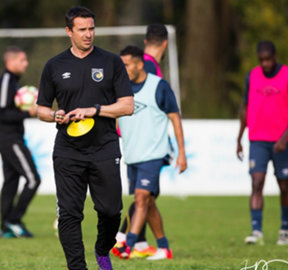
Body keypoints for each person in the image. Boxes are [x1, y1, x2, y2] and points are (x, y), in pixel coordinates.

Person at [36, 6, 134, 270]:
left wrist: (96, 110)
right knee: (69, 214)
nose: (88, 34)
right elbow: (41, 109)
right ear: (69, 31)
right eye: (82, 29)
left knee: (112, 211)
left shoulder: (111, 62)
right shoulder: (54, 66)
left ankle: (103, 249)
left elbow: (127, 106)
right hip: (68, 150)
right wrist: (55, 115)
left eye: (91, 28)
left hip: (104, 147)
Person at [111, 45, 186, 261]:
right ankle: (164, 248)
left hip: (154, 153)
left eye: (126, 65)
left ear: (139, 64)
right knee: (149, 202)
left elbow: (175, 118)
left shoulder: (159, 86)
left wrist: (182, 153)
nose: (122, 69)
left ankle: (128, 244)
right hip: (132, 155)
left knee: (142, 197)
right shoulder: (120, 88)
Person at [236, 40, 288, 246]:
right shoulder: (252, 76)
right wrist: (239, 137)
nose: (265, 64)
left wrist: (284, 137)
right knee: (256, 182)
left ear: (275, 57)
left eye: (268, 59)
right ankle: (256, 231)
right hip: (258, 139)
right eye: (261, 60)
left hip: (283, 141)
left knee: (284, 185)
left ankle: (285, 229)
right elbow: (245, 107)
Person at [113, 23, 170, 259]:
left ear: (146, 42)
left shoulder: (138, 63)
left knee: (144, 196)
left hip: (132, 137)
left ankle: (137, 243)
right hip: (143, 140)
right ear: (165, 43)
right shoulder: (149, 67)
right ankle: (126, 240)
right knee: (144, 196)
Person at [0, 46, 40, 238]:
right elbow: (2, 112)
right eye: (22, 60)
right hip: (10, 139)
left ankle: (5, 225)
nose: (26, 63)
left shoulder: (13, 82)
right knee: (33, 179)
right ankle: (13, 220)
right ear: (10, 62)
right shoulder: (6, 80)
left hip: (10, 138)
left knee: (11, 182)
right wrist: (27, 113)